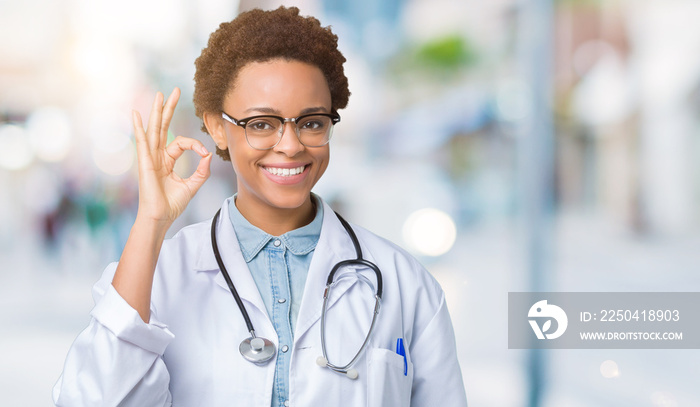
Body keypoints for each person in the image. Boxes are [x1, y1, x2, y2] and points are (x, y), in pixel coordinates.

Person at [53, 6, 467, 407]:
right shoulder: (158, 277)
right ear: (218, 126)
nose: (290, 145)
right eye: (262, 124)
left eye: (311, 122)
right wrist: (150, 222)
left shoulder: (406, 284)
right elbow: (95, 400)